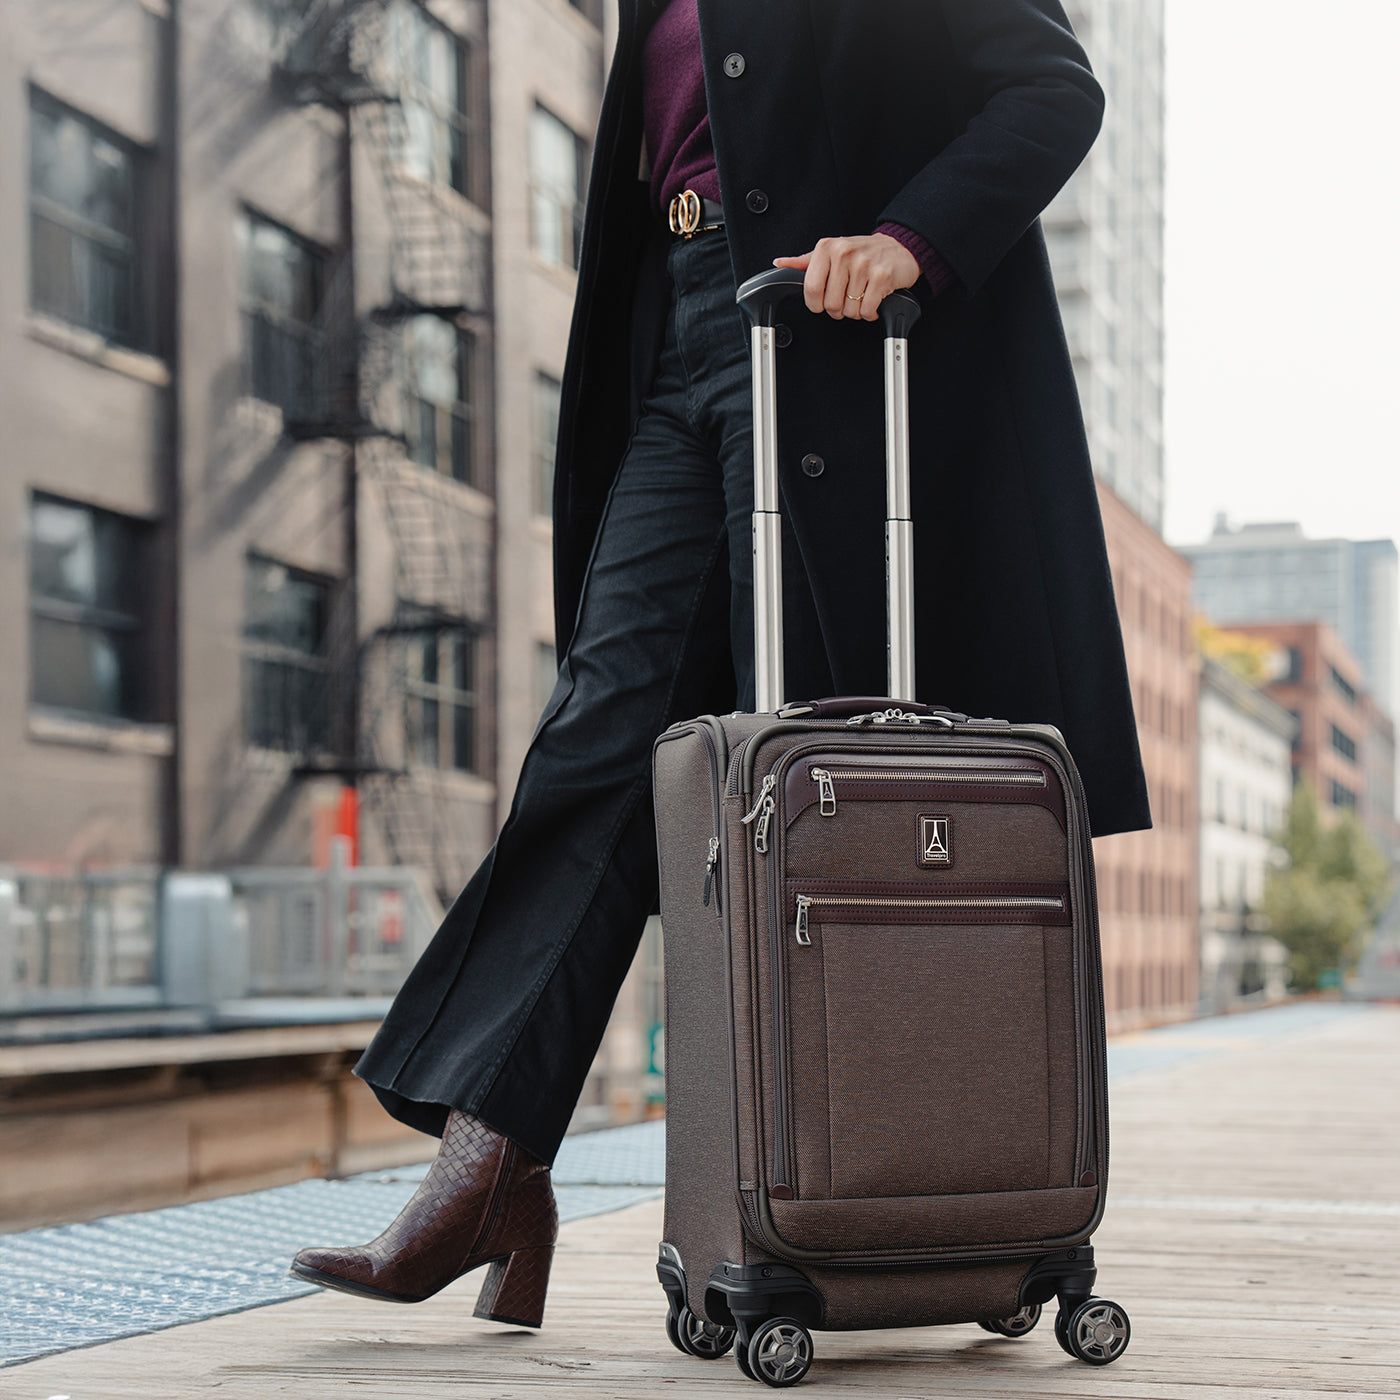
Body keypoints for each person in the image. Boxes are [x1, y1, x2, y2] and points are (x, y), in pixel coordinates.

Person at [290, 0, 1150, 1328]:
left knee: (824, 795)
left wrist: (910, 235)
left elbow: (1050, 87)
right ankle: (490, 1164)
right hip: (681, 345)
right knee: (600, 735)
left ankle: (902, 1197)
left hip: (834, 354)